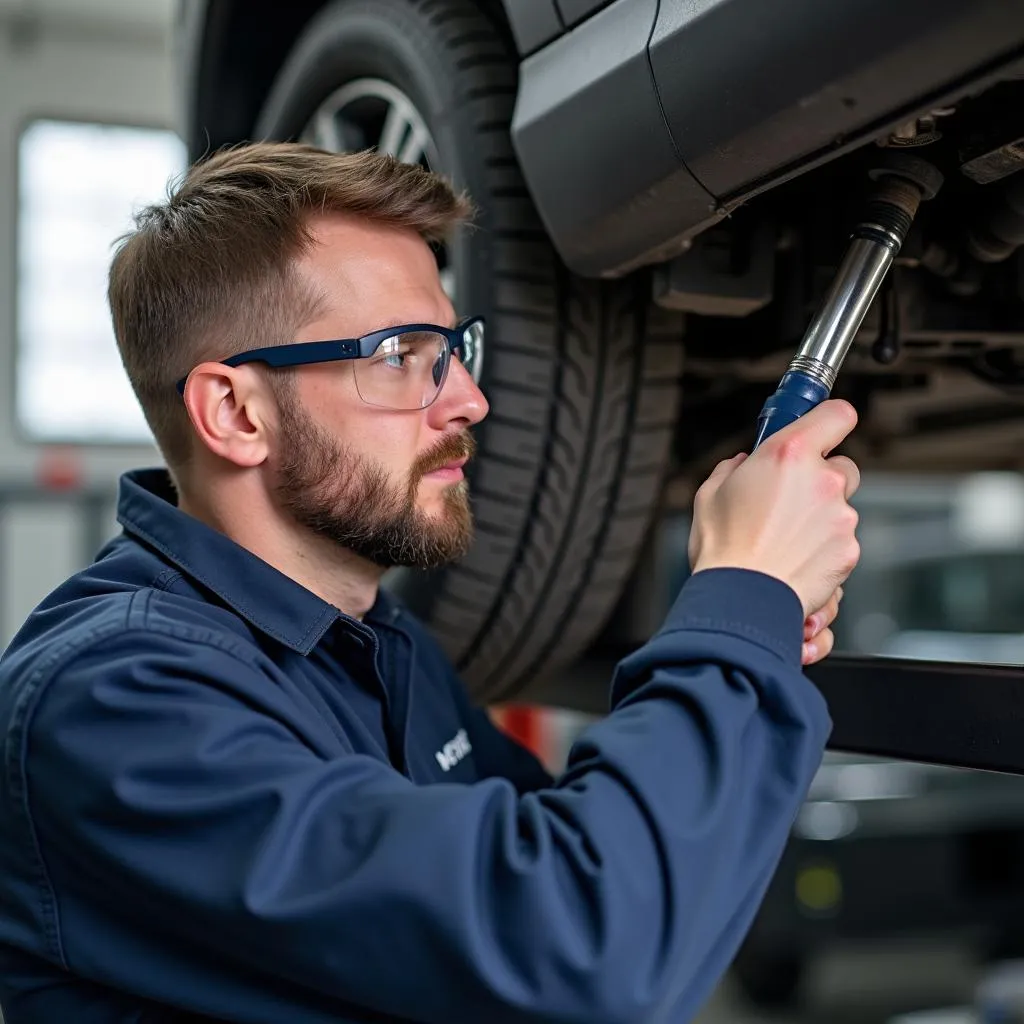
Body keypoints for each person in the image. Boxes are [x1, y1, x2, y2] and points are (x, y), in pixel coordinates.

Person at [0, 142, 860, 1024]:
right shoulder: (116, 699)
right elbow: (581, 950)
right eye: (400, 355)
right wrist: (738, 599)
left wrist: (754, 633)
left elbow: (602, 869)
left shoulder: (372, 642)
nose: (469, 400)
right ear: (235, 413)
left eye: (452, 346)